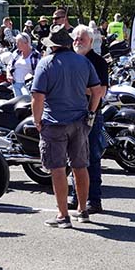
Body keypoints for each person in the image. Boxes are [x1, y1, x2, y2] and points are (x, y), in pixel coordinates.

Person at [31, 25, 101, 229]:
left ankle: (63, 215)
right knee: (80, 166)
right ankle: (83, 209)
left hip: (54, 122)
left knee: (58, 169)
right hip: (79, 121)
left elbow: (37, 97)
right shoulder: (83, 61)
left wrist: (37, 120)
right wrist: (91, 113)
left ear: (52, 45)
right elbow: (97, 91)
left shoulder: (46, 63)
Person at [71, 25, 108, 214]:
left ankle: (94, 200)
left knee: (92, 157)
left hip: (92, 115)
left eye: (82, 39)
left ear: (91, 41)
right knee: (73, 157)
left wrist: (76, 86)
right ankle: (76, 197)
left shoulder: (99, 62)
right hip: (71, 115)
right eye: (76, 38)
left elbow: (101, 92)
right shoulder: (70, 59)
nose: (78, 42)